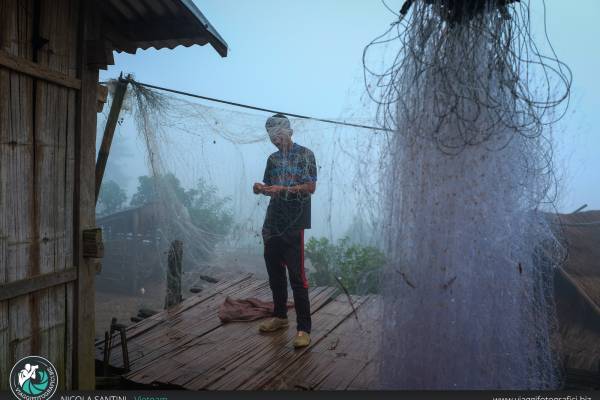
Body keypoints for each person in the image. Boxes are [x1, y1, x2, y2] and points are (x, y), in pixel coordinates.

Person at [253, 113, 317, 348]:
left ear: (288, 131)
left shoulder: (305, 155)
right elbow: (270, 187)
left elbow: (310, 187)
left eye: (277, 134)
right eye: (270, 135)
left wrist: (283, 189)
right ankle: (280, 317)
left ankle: (303, 329)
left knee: (297, 277)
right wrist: (260, 188)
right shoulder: (272, 159)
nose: (274, 139)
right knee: (275, 274)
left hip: (294, 223)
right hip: (272, 224)